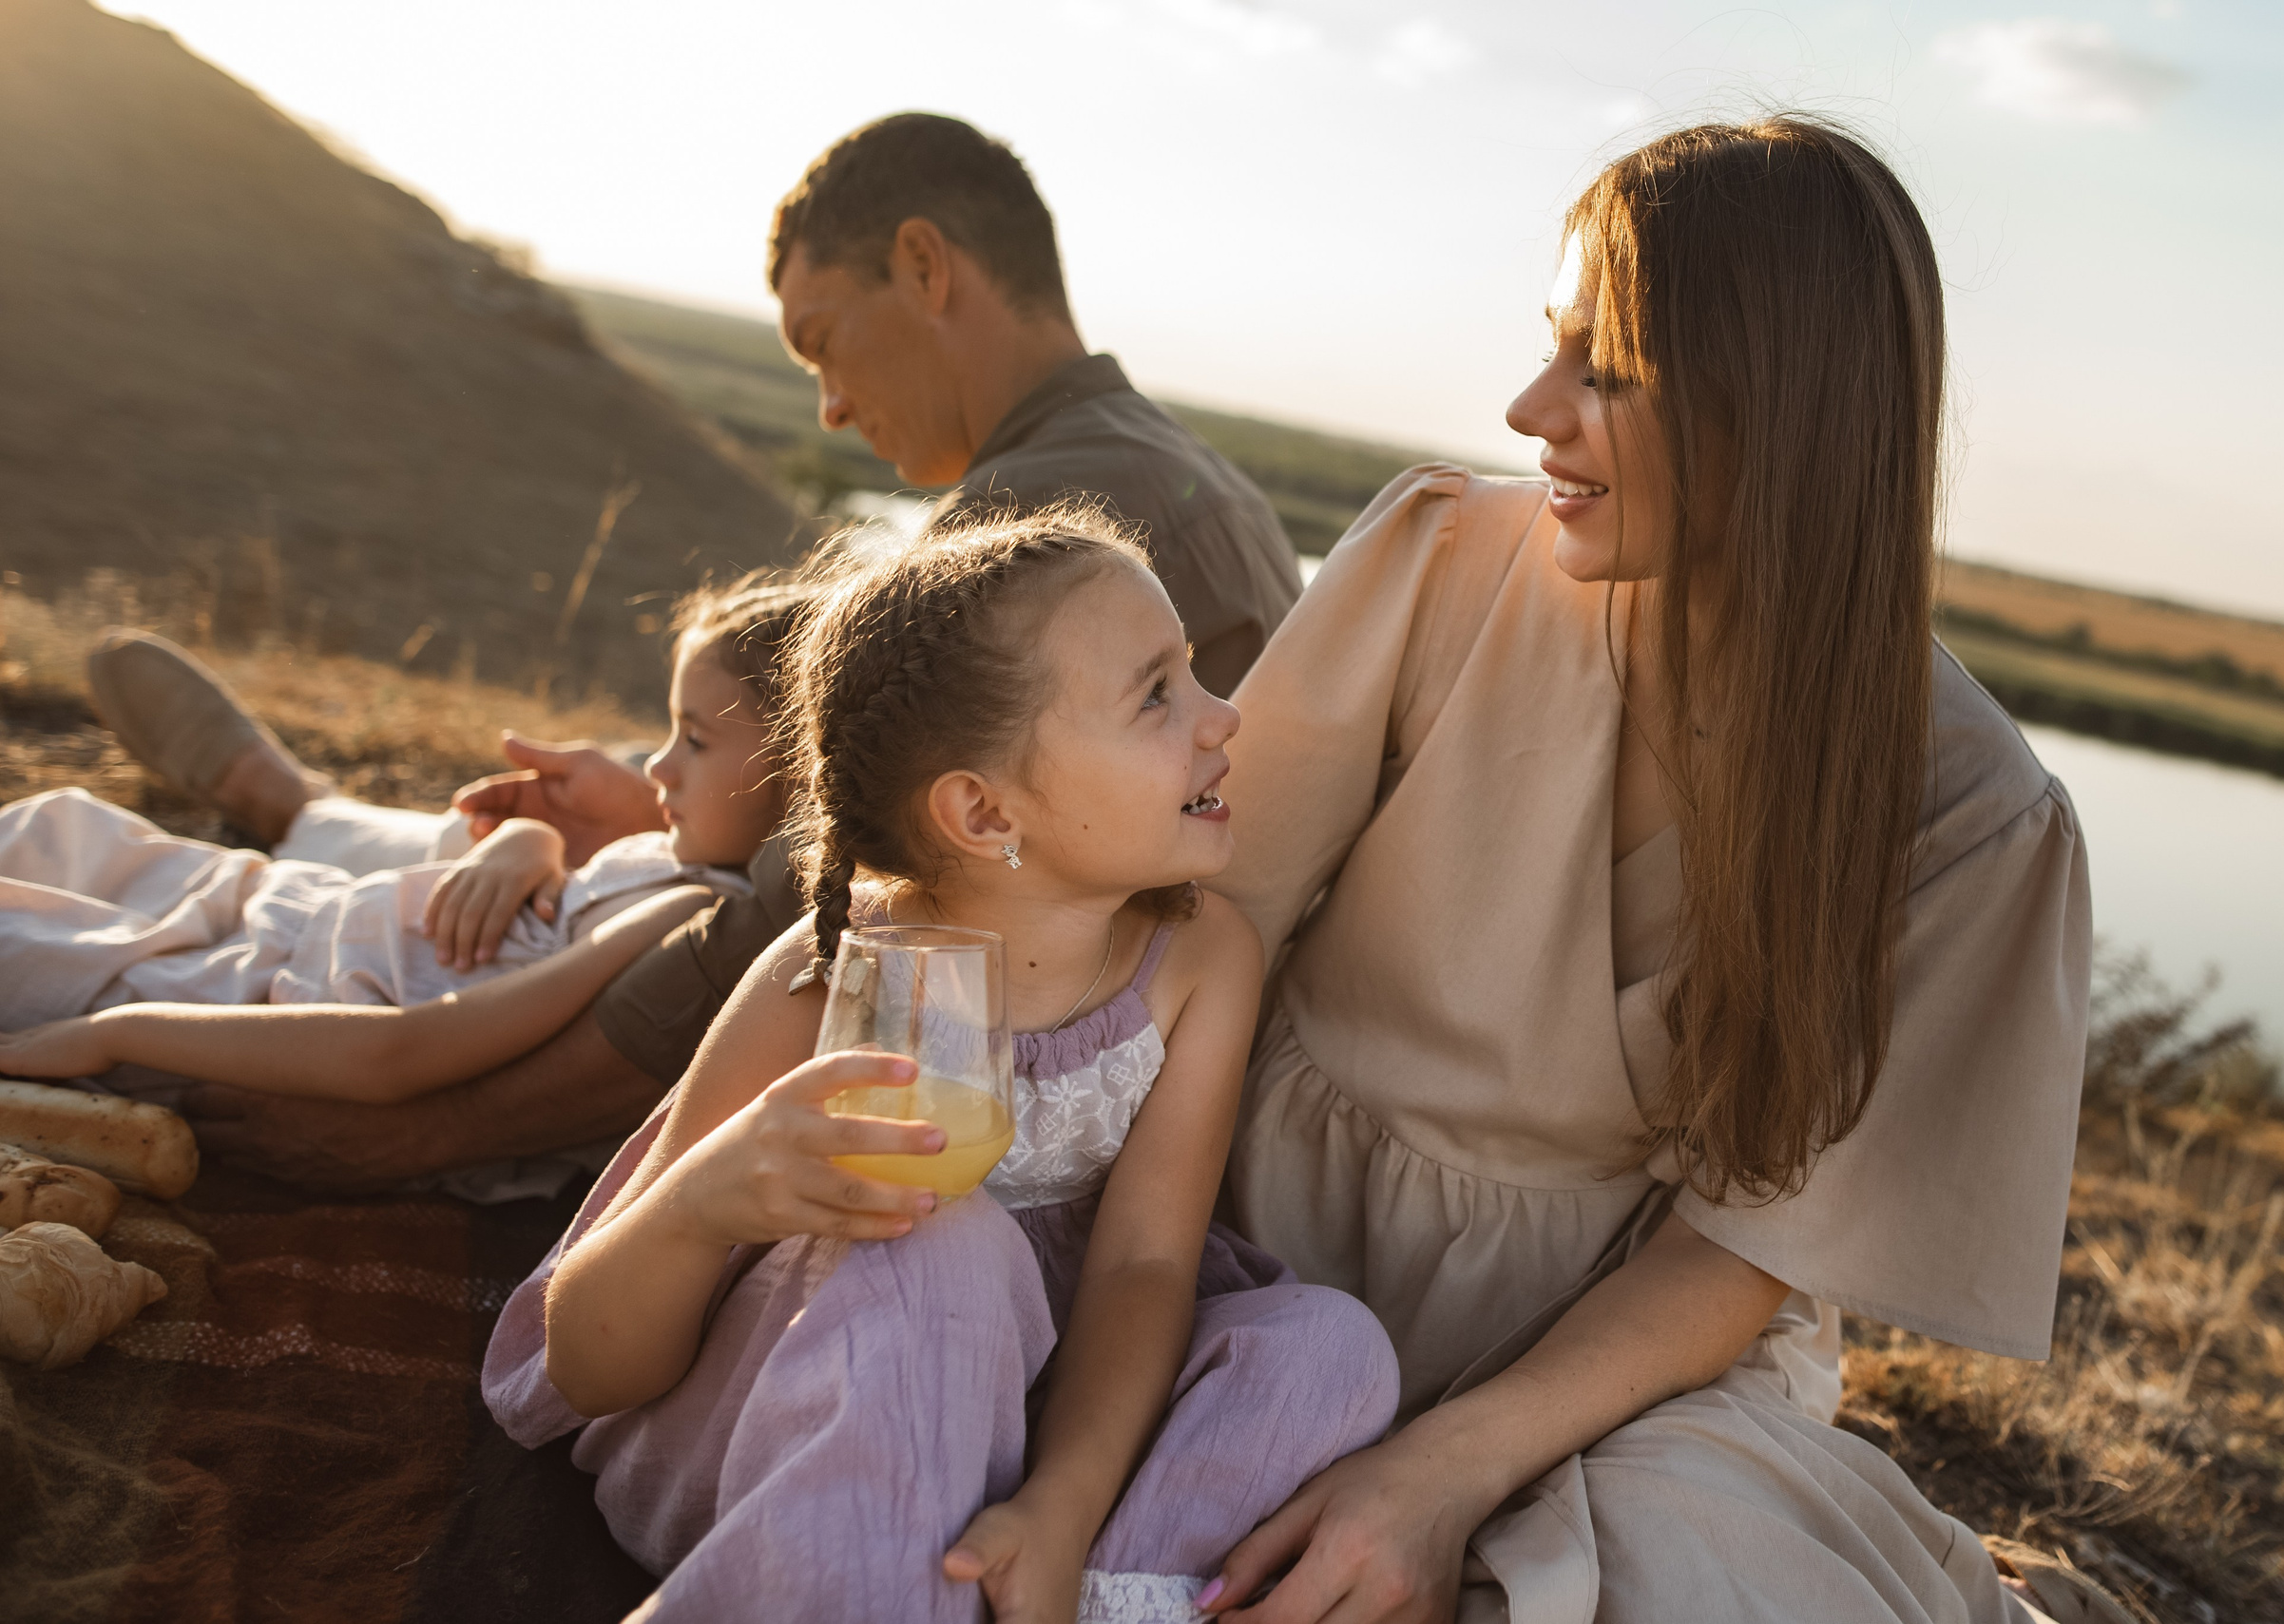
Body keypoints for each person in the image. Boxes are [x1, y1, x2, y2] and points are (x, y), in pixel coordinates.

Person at [1192, 119, 2108, 1622]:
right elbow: (1198, 939)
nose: (1530, 408)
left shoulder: (1963, 807)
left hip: (1616, 1369)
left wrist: (1439, 1471)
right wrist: (1137, 1269)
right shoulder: (1439, 568)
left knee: (1690, 1575)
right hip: (1245, 1252)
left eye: (1604, 371)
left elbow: (1742, 1250)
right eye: (1552, 349)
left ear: (1778, 407)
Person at [155, 111, 1302, 1192]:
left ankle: (292, 814)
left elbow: (787, 917)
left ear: (923, 266)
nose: (830, 411)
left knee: (511, 907)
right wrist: (668, 802)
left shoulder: (1039, 545)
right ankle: (298, 809)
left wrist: (422, 1131)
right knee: (557, 858)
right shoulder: (1172, 475)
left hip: (1042, 1016)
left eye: (821, 344)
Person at [482, 506, 1397, 1624]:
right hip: (800, 1424)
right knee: (948, 1241)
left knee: (1331, 1346)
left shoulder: (1199, 959)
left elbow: (1142, 1270)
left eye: (1192, 673)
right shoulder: (827, 979)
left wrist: (1062, 1501)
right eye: (1157, 692)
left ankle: (1076, 1590)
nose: (1222, 717)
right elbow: (589, 1362)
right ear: (982, 809)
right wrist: (701, 1201)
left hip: (1056, 1424)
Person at [24, 575, 813, 1195]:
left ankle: (288, 802)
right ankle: (294, 804)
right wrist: (529, 841)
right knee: (62, 830)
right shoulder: (685, 866)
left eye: (696, 741)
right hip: (293, 911)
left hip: (271, 1007)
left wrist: (115, 1032)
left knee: (31, 959)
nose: (655, 765)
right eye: (667, 728)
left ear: (799, 776)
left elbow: (399, 1053)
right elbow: (567, 896)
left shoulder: (683, 915)